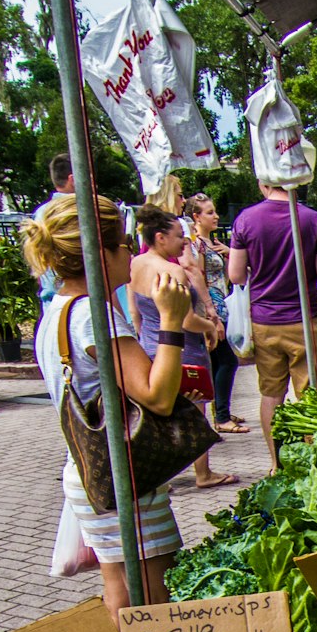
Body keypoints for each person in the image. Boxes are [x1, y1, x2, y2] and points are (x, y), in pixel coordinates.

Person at [24, 193, 191, 614]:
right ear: (101, 253)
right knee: (153, 600)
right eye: (123, 246)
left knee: (121, 589)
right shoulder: (92, 317)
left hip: (91, 473)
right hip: (122, 478)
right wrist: (172, 319)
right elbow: (156, 394)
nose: (130, 255)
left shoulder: (60, 310)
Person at [229, 183, 317, 469]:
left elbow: (235, 274)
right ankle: (315, 463)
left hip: (264, 322)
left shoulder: (245, 220)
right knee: (312, 396)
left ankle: (276, 463)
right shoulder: (313, 220)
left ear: (263, 182)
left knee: (271, 393)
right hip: (305, 321)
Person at [131, 205, 236, 489]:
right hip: (181, 347)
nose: (184, 241)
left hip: (151, 346)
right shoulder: (172, 272)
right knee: (195, 410)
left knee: (160, 411)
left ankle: (162, 469)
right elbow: (186, 319)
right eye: (179, 236)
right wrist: (211, 326)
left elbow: (135, 311)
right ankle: (203, 472)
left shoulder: (136, 264)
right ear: (161, 237)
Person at [183, 194, 246, 434]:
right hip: (212, 310)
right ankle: (220, 416)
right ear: (196, 217)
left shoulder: (212, 244)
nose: (216, 216)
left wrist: (229, 252)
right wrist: (210, 313)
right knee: (227, 361)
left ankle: (221, 410)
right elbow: (198, 276)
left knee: (221, 361)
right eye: (209, 212)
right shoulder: (196, 245)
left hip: (222, 306)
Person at [34, 154, 77, 306]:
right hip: (77, 301)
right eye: (89, 177)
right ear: (72, 179)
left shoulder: (40, 213)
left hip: (51, 304)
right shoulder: (77, 212)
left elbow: (36, 264)